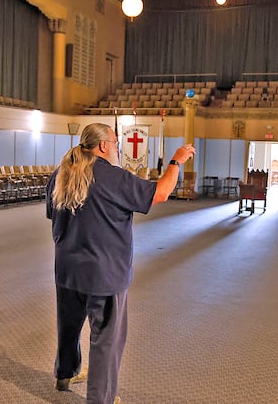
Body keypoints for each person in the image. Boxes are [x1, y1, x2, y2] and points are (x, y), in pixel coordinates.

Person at [46, 122, 196, 404]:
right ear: (103, 146)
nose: (116, 148)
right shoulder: (113, 177)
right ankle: (100, 399)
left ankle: (65, 374)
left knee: (68, 326)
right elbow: (161, 192)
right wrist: (176, 160)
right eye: (115, 143)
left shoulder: (60, 174)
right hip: (104, 273)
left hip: (67, 269)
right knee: (106, 340)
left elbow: (52, 216)